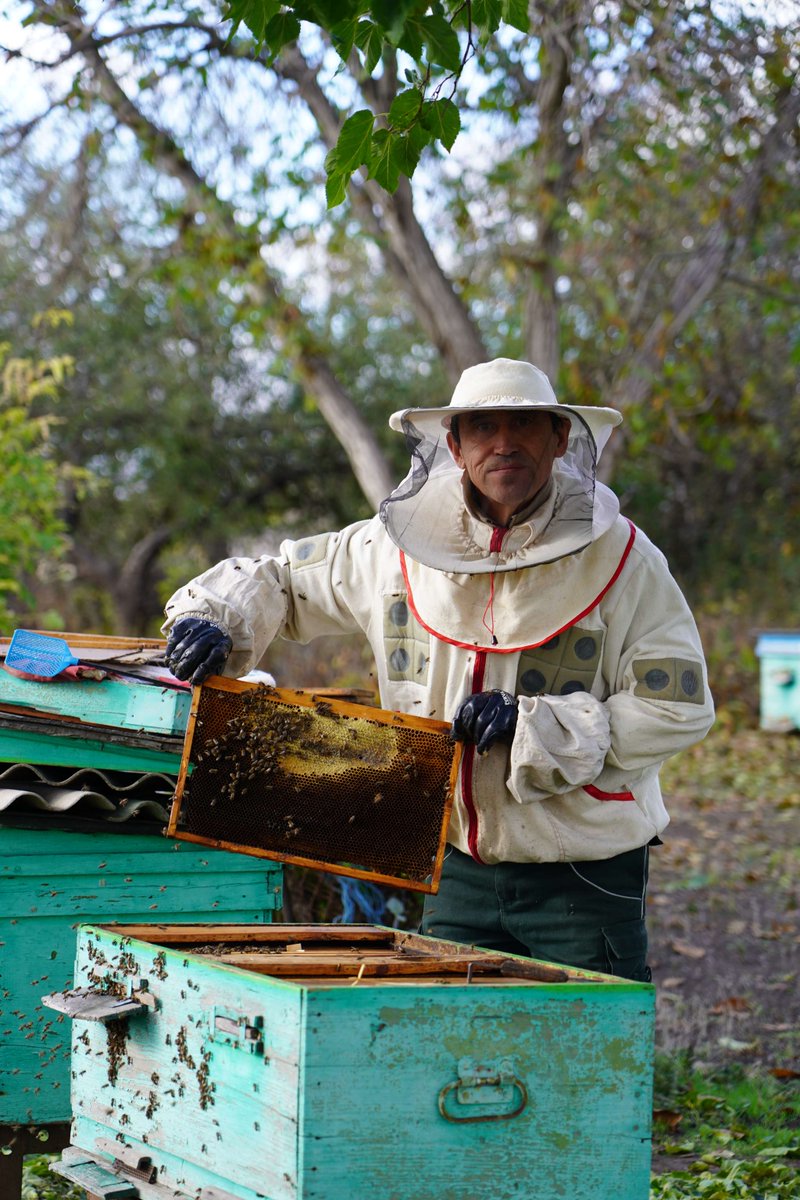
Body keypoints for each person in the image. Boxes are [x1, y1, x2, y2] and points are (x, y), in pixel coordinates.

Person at [163, 357, 714, 980]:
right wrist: (213, 618)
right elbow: (286, 580)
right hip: (452, 866)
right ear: (454, 444)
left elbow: (678, 708)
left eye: (524, 424)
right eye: (482, 427)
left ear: (560, 437)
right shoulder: (393, 546)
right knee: (451, 1030)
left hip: (583, 869)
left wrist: (537, 726)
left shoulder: (625, 558)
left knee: (587, 1038)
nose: (503, 443)